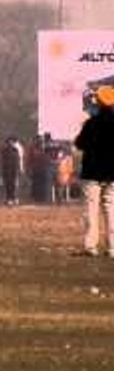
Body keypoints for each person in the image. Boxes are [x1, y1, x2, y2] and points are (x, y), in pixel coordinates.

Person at [73, 86, 114, 257]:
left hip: (92, 172)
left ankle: (90, 246)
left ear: (98, 102)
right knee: (111, 210)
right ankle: (112, 248)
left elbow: (79, 144)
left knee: (91, 209)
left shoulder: (91, 123)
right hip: (112, 173)